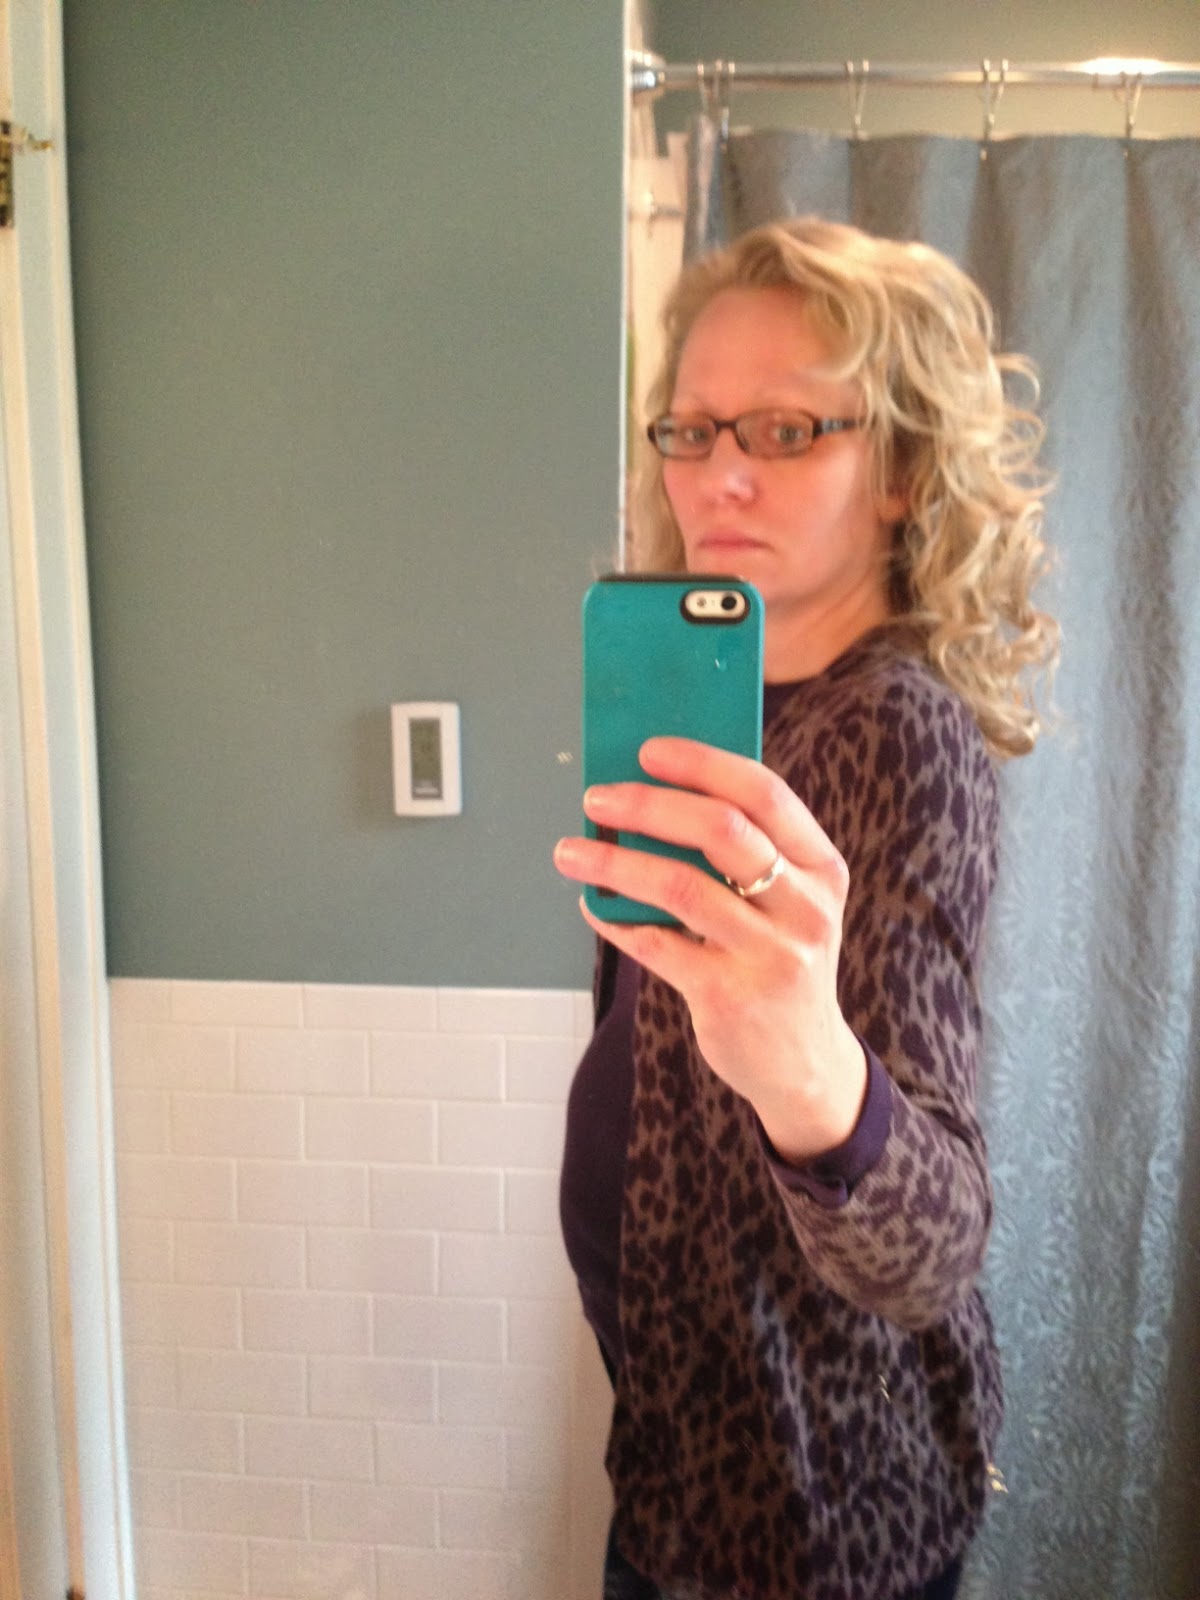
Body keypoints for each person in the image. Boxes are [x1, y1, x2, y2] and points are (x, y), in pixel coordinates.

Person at [554, 216, 1059, 1600]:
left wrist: (811, 1074)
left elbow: (934, 1249)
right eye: (694, 428)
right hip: (681, 1467)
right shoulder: (735, 719)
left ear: (899, 470)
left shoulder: (896, 730)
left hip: (816, 1516)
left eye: (786, 431)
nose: (719, 474)